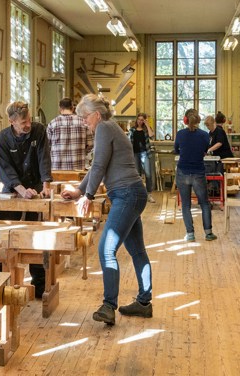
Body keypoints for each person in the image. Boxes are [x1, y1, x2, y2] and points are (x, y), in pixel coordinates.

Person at [61, 94, 152, 326]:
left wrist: (89, 196)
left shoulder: (104, 128)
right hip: (132, 193)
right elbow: (96, 167)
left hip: (127, 194)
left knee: (106, 249)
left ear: (96, 115)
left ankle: (108, 306)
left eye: (85, 118)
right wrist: (80, 192)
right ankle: (143, 303)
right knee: (137, 251)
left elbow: (99, 165)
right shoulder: (111, 127)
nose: (84, 122)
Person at [0, 101, 53, 300]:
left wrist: (46, 185)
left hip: (35, 187)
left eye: (29, 121)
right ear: (12, 122)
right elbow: (5, 170)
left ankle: (39, 284)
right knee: (3, 235)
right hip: (12, 189)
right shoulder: (0, 140)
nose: (28, 125)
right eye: (23, 123)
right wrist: (19, 189)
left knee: (37, 235)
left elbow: (44, 157)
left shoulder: (38, 131)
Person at [175, 109, 216, 242]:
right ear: (198, 119)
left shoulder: (180, 134)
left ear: (185, 120)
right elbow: (205, 151)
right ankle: (208, 233)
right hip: (198, 172)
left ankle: (190, 234)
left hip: (182, 172)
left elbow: (176, 150)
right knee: (204, 203)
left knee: (186, 204)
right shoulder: (205, 135)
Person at [47, 97, 93, 171]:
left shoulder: (52, 123)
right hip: (78, 167)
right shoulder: (83, 122)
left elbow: (47, 146)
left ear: (60, 108)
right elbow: (90, 144)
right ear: (72, 108)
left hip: (57, 168)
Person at [128, 112, 156, 203]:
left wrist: (147, 124)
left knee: (148, 174)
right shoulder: (132, 130)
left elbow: (152, 136)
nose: (140, 121)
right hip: (135, 154)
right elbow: (128, 141)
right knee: (137, 175)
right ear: (136, 120)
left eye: (142, 120)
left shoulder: (146, 130)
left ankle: (149, 194)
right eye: (139, 119)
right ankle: (138, 194)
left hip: (145, 153)